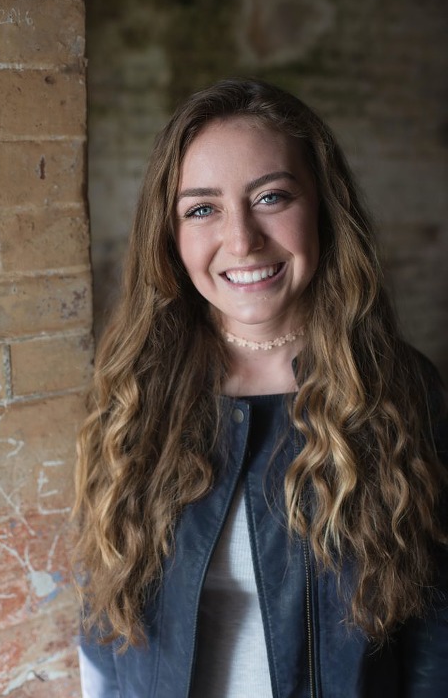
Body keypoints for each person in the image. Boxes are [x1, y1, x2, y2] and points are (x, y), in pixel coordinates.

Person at [73, 78, 448, 697]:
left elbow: (434, 628)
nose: (242, 240)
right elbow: (103, 614)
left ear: (323, 207)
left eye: (271, 197)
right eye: (202, 209)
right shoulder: (135, 391)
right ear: (169, 234)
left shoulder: (401, 391)